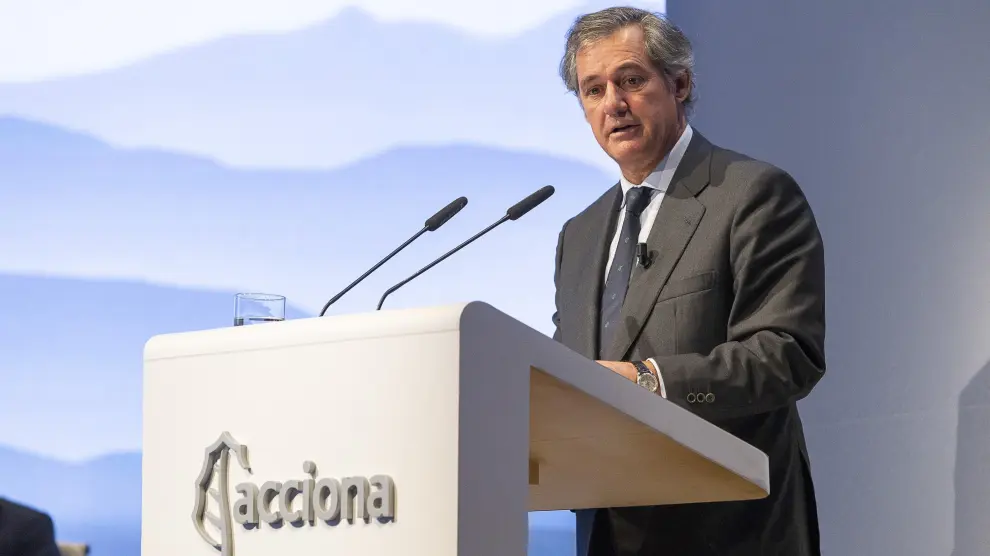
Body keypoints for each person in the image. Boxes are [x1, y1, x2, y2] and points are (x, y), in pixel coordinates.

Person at [550, 7, 826, 556]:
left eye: (631, 80)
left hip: (731, 531)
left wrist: (649, 381)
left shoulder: (751, 195)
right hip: (611, 533)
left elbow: (786, 355)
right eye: (593, 90)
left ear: (679, 84)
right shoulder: (578, 235)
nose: (613, 104)